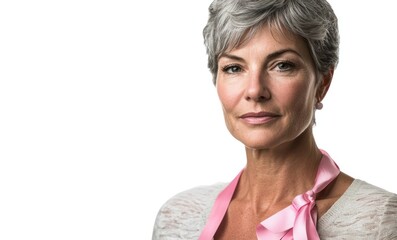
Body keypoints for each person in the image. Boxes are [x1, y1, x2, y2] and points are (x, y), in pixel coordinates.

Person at [152, 0, 397, 239]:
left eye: (282, 65)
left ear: (322, 84)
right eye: (234, 68)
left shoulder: (378, 222)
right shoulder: (177, 219)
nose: (255, 90)